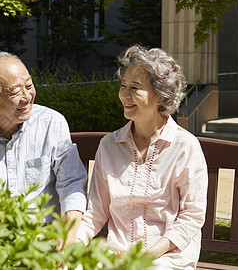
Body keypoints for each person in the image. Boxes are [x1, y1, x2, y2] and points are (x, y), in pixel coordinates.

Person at [76, 45, 208, 269]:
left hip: (166, 258)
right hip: (116, 254)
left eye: (135, 88)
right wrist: (73, 244)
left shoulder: (185, 147)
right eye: (123, 86)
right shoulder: (109, 146)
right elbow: (96, 211)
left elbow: (191, 216)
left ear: (160, 96)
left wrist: (145, 256)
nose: (124, 95)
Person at [0, 51, 87, 249]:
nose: (27, 96)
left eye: (29, 86)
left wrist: (66, 234)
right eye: (15, 92)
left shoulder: (51, 123)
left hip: (45, 236)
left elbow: (72, 184)